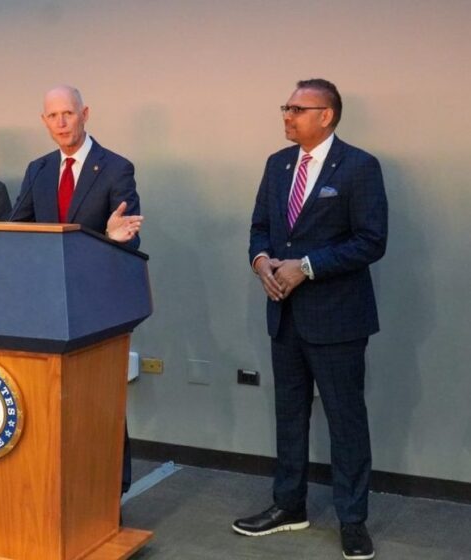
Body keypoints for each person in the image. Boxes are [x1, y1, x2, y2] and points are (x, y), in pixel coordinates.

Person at [0, 86, 143, 496]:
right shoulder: (38, 169)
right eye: (53, 116)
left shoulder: (116, 168)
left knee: (98, 401)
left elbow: (129, 239)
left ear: (85, 113)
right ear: (44, 121)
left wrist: (112, 238)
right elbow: (17, 233)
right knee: (50, 401)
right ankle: (52, 486)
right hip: (46, 307)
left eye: (68, 113)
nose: (61, 122)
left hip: (95, 307)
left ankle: (109, 491)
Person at [236, 79, 388, 560]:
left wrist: (306, 267)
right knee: (289, 416)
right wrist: (262, 263)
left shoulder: (360, 167)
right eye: (286, 106)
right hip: (284, 314)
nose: (287, 115)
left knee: (346, 421)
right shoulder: (277, 165)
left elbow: (371, 241)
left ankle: (352, 520)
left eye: (298, 108)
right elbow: (260, 227)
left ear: (327, 115)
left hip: (338, 319)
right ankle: (289, 506)